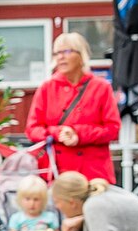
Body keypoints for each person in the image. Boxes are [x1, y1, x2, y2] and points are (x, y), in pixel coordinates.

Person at [24, 32, 119, 184]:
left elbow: (112, 129)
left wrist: (78, 134)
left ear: (81, 55)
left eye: (67, 51)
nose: (60, 57)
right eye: (57, 53)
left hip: (92, 173)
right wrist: (58, 133)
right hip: (57, 173)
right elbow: (32, 129)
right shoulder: (46, 88)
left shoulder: (100, 88)